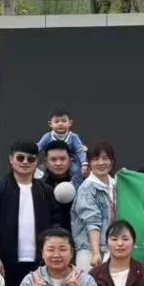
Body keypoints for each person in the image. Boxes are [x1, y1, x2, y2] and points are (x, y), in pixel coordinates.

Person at [0, 140, 61, 286]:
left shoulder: (45, 191)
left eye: (31, 159)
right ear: (11, 159)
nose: (25, 162)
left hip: (40, 262)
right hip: (7, 262)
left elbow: (55, 226)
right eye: (20, 158)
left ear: (37, 162)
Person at [71, 141, 117, 272]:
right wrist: (96, 253)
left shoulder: (116, 184)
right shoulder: (86, 188)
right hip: (89, 250)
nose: (101, 163)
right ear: (89, 163)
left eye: (105, 158)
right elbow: (92, 220)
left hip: (112, 247)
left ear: (112, 161)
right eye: (96, 159)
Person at [37, 139, 82, 233]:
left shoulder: (81, 182)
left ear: (70, 159)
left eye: (62, 159)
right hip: (46, 236)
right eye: (53, 159)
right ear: (46, 161)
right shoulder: (38, 184)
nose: (58, 163)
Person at [36, 108, 88, 179]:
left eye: (64, 121)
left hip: (70, 162)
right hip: (51, 161)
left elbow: (80, 150)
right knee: (40, 170)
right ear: (50, 124)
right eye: (56, 121)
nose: (60, 124)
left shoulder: (73, 137)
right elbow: (38, 147)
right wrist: (30, 151)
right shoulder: (47, 136)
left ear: (70, 123)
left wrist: (84, 163)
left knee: (76, 170)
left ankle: (76, 185)